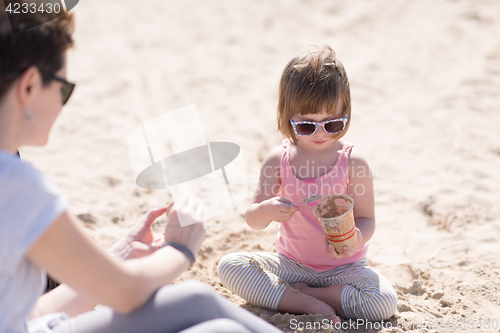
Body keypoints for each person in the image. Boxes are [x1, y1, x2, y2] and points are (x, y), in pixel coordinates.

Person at [0, 4, 283, 333]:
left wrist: (120, 255)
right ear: (29, 86)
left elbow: (27, 312)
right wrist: (181, 250)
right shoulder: (14, 182)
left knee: (196, 300)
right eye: (64, 89)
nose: (64, 103)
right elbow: (126, 293)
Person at [218, 45, 398, 323]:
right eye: (305, 126)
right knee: (230, 267)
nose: (319, 133)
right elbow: (253, 219)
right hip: (292, 265)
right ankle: (304, 301)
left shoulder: (353, 163)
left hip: (344, 267)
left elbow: (367, 219)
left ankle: (308, 296)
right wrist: (266, 210)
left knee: (383, 303)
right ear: (287, 115)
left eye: (332, 124)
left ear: (346, 112)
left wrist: (354, 239)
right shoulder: (278, 160)